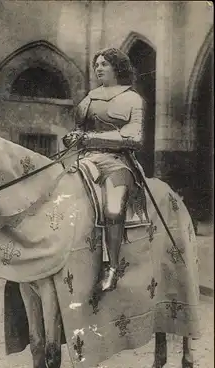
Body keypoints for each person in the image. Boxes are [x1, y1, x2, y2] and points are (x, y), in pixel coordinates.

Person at [63, 47, 145, 292]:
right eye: (97, 64)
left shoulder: (132, 99)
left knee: (112, 208)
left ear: (117, 68)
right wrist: (73, 138)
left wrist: (89, 138)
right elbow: (80, 129)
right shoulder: (89, 97)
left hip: (117, 162)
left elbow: (135, 138)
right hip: (84, 159)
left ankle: (112, 267)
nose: (98, 68)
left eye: (104, 64)